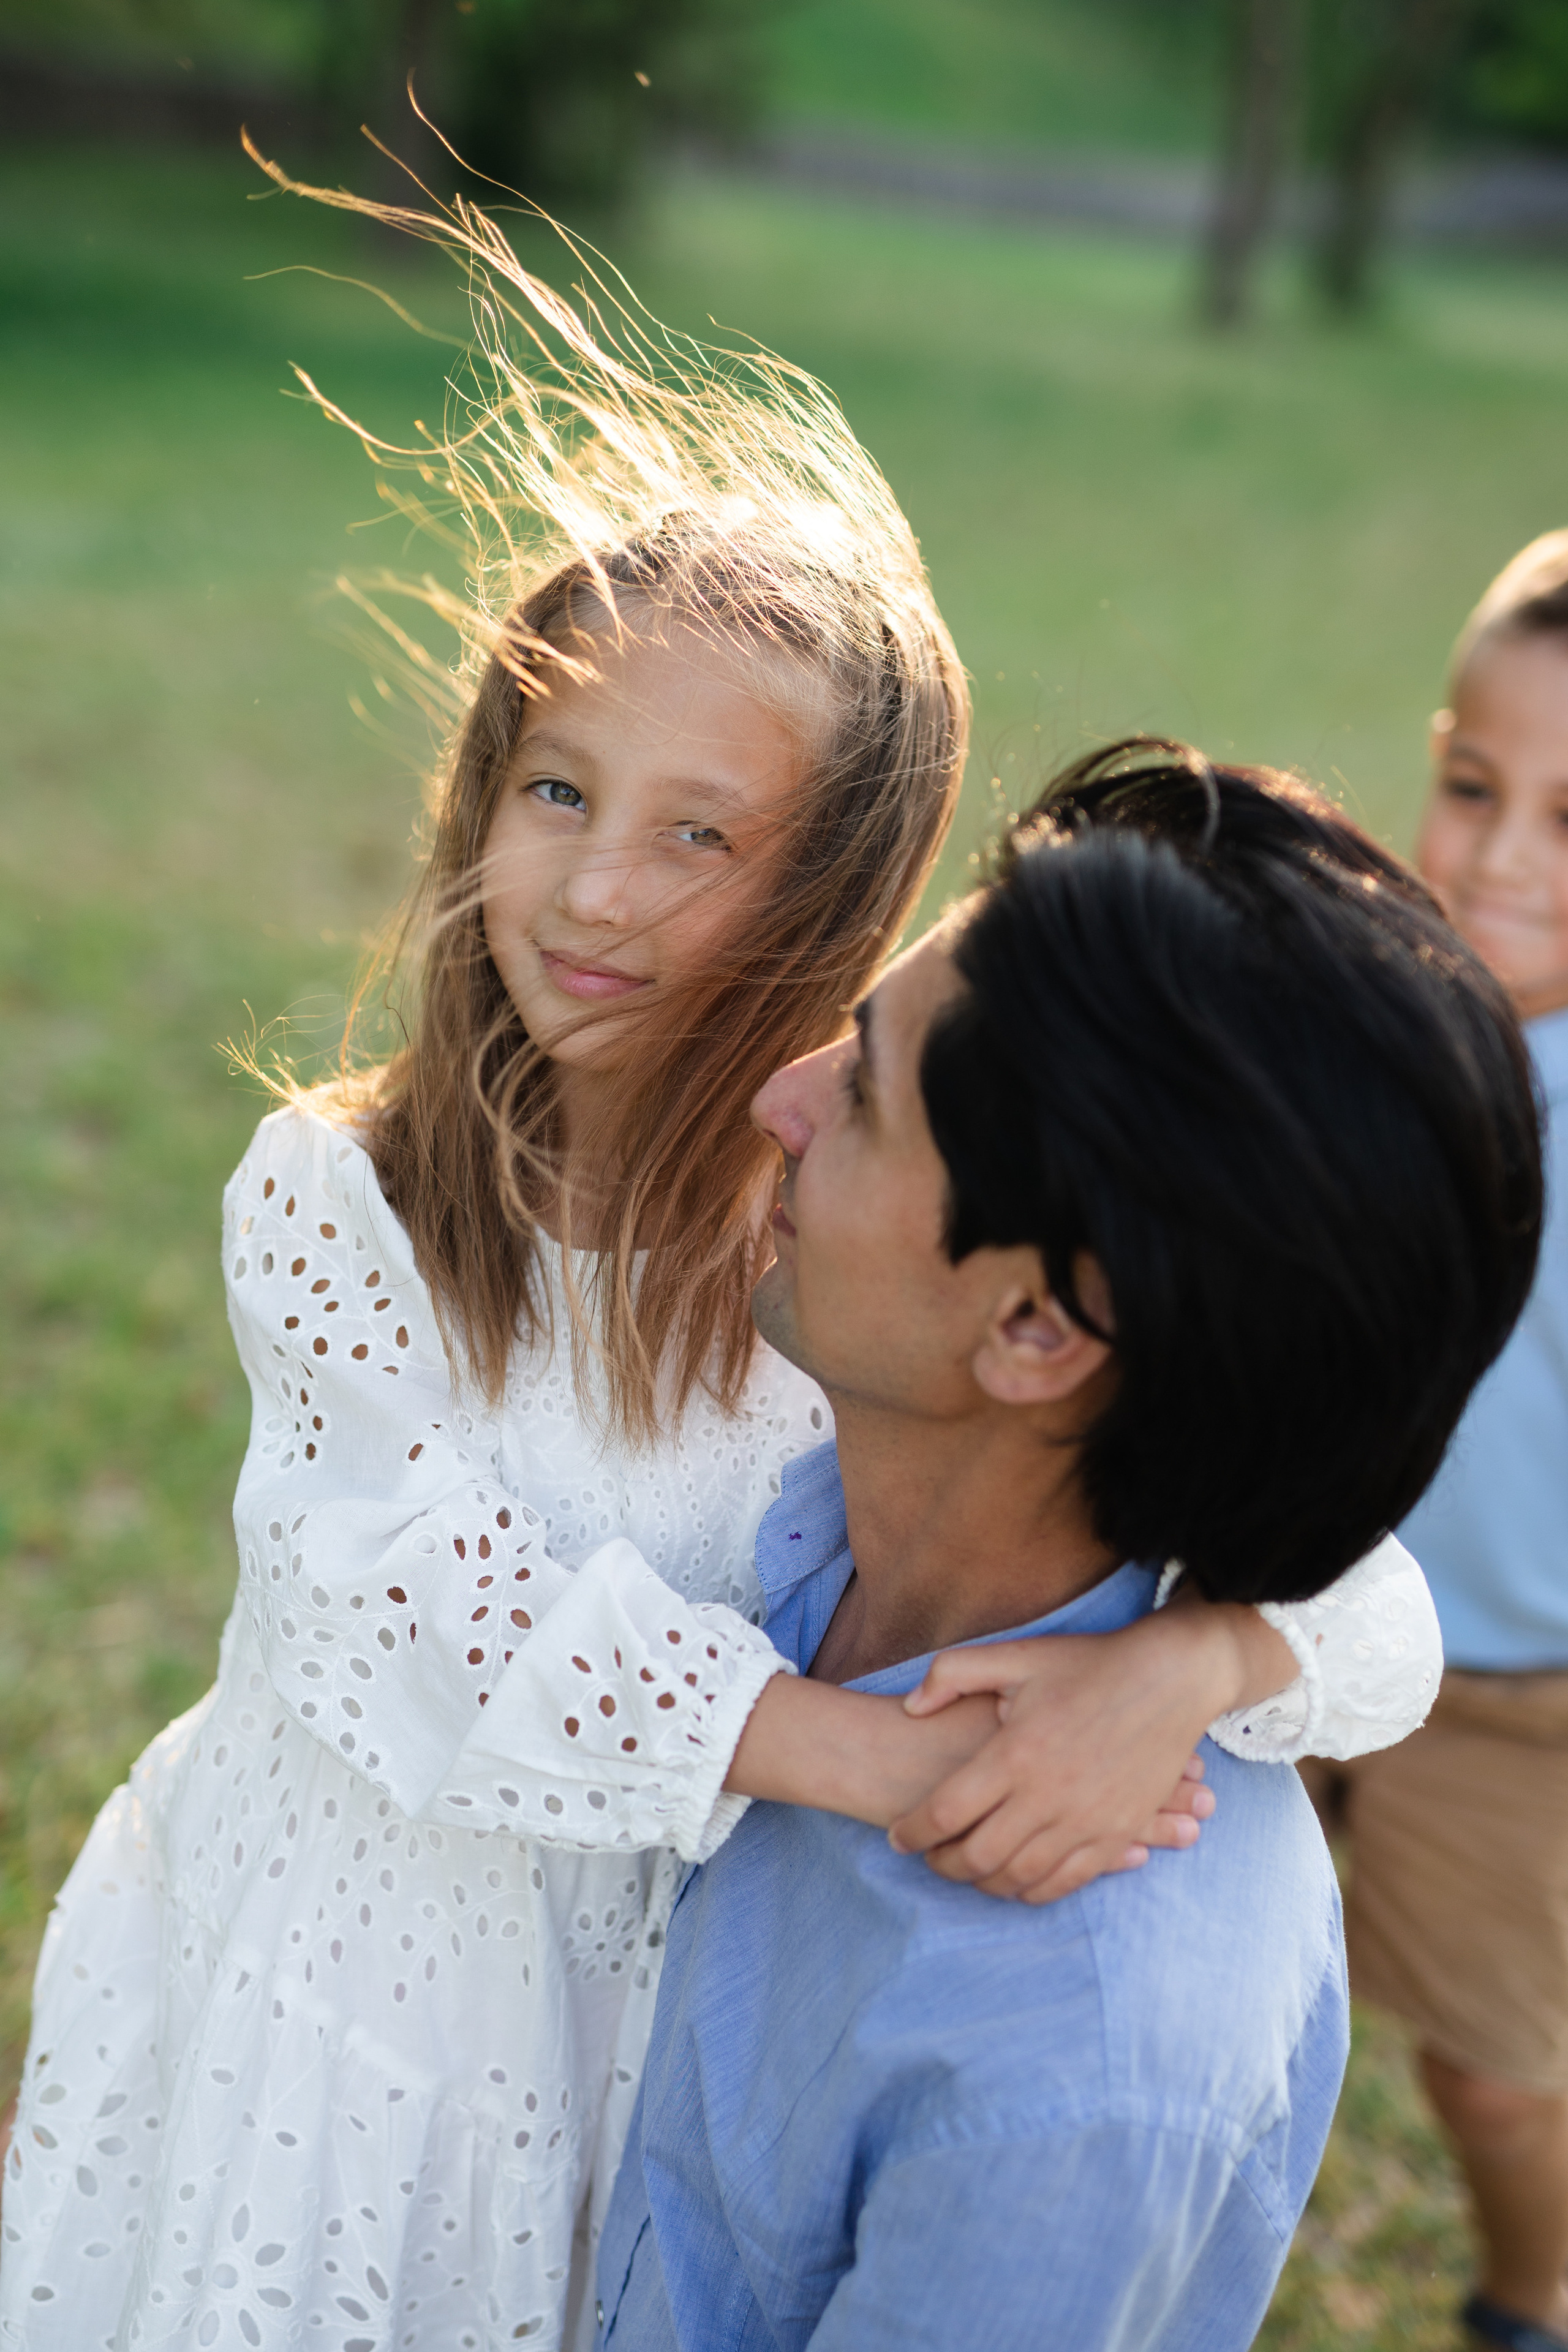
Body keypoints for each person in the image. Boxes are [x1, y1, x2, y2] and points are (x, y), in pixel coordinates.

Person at [0, 165, 1439, 2352]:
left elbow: (1373, 1591)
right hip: (344, 1999)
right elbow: (390, 1591)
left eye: (698, 837)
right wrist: (858, 1754)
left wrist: (1193, 1665)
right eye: (556, 788)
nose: (591, 889)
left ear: (835, 906)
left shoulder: (842, 1243)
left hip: (637, 2030)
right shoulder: (347, 1196)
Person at [599, 745, 1542, 2352]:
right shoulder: (758, 1473)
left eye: (867, 1091)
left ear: (1037, 1329)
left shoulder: (1075, 2072)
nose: (780, 1097)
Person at [1305, 530, 1568, 2352]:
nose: (1494, 856)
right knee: (1223, 1986)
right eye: (1473, 785)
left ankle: (1534, 2300)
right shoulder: (1373, 1012)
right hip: (1296, 1616)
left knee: (1496, 2074)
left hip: (1521, 1694)